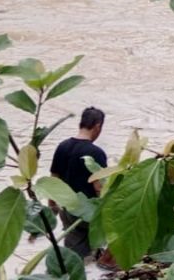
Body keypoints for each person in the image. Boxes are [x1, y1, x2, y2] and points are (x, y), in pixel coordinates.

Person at [50, 107, 107, 259]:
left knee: (72, 250)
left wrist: (52, 207)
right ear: (98, 126)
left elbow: (53, 179)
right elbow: (99, 187)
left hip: (66, 209)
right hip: (85, 212)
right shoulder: (96, 153)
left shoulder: (62, 147)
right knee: (86, 253)